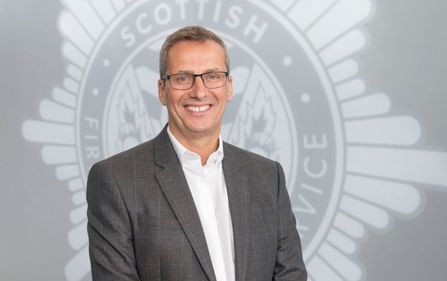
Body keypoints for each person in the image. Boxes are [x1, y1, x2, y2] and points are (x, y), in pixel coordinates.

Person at [87, 25, 307, 281]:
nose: (199, 91)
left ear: (229, 87)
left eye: (212, 76)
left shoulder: (268, 177)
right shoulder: (116, 180)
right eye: (183, 78)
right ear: (162, 90)